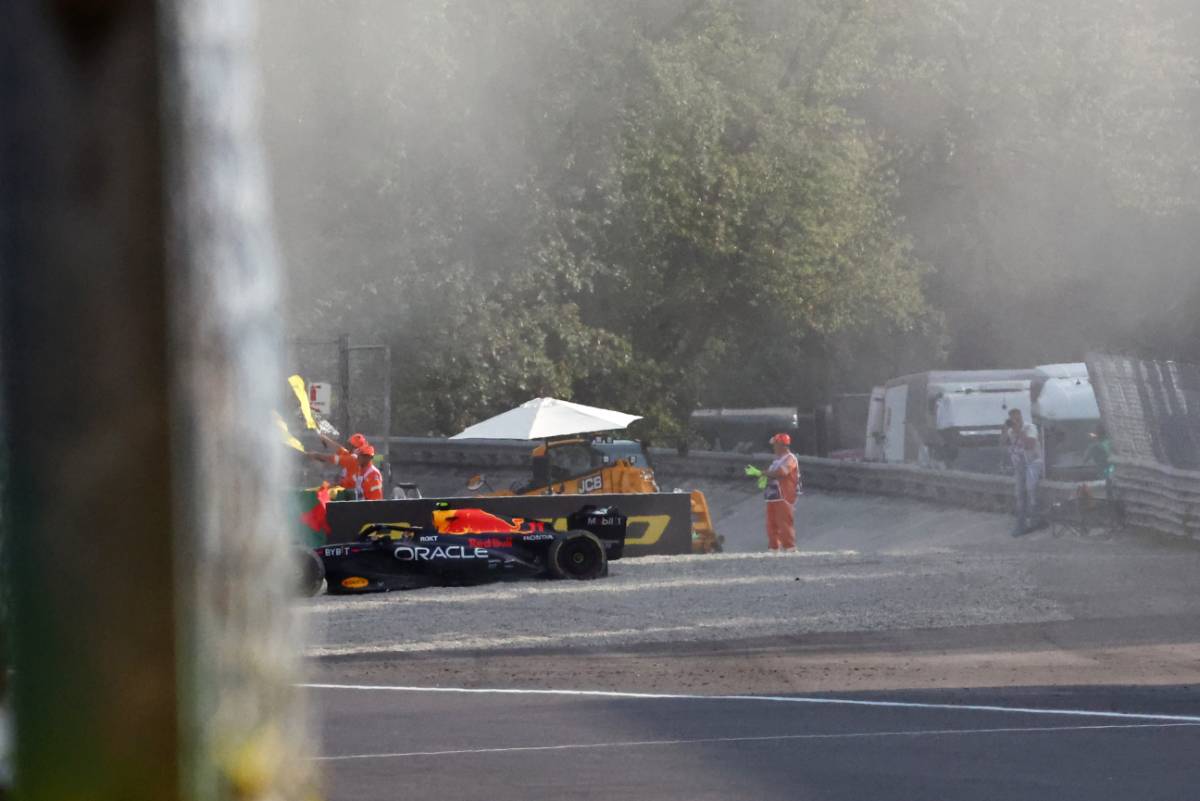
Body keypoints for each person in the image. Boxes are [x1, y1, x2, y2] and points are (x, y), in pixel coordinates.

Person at [1003, 409, 1043, 536]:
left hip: (1033, 462)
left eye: (1017, 418)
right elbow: (1002, 444)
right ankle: (1021, 523)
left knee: (1030, 488)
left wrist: (1019, 431)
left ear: (1021, 417)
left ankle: (1035, 519)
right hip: (1019, 465)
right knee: (1019, 493)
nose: (1015, 421)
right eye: (1013, 419)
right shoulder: (1010, 431)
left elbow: (1030, 444)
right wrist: (1004, 430)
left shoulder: (1030, 428)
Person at [762, 433, 801, 553]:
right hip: (772, 495)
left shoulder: (790, 458)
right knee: (771, 523)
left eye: (775, 444)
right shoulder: (776, 461)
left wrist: (764, 473)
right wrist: (762, 477)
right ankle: (774, 547)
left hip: (785, 494)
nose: (773, 447)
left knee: (784, 522)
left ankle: (790, 547)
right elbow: (771, 474)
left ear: (782, 445)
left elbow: (782, 472)